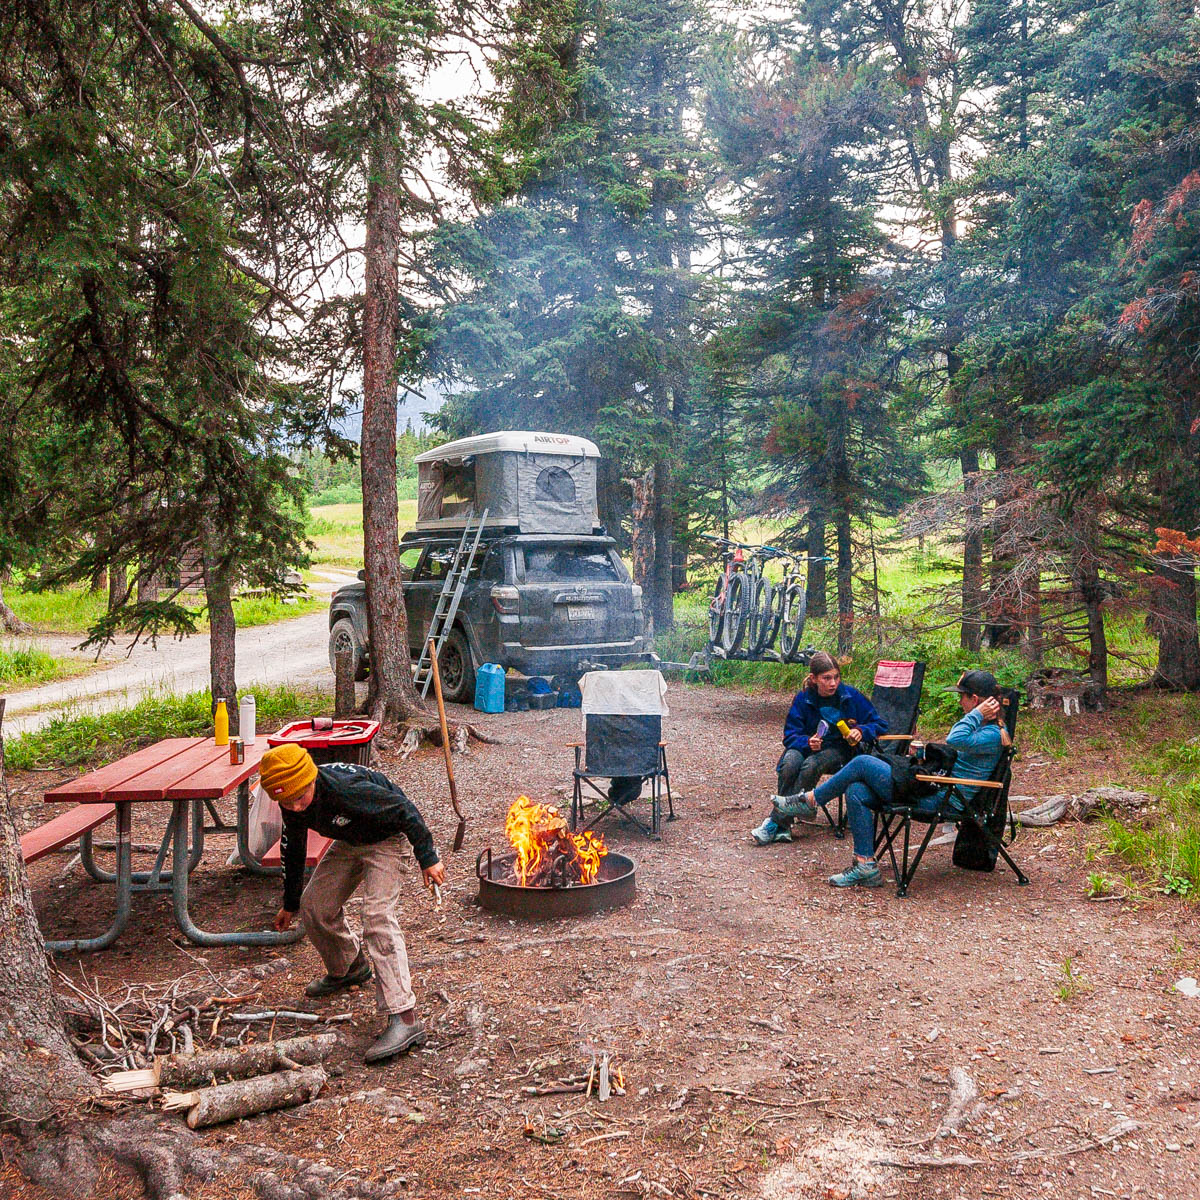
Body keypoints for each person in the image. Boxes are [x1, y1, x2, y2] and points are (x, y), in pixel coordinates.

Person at [261, 744, 447, 1063]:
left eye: (299, 797)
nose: (294, 806)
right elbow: (293, 848)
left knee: (377, 917)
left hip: (388, 840)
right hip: (350, 842)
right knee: (314, 906)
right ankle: (348, 967)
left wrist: (427, 858)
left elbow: (405, 810)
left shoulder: (347, 791)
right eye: (286, 801)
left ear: (311, 780)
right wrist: (290, 903)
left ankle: (405, 1017)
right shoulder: (292, 799)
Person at [777, 669, 1011, 888]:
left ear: (976, 699)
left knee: (861, 763)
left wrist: (976, 714)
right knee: (857, 790)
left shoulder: (992, 734)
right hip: (934, 787)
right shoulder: (982, 728)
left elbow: (954, 738)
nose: (960, 702)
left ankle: (811, 800)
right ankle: (865, 866)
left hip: (944, 799)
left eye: (963, 697)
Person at [750, 651, 887, 845]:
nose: (833, 683)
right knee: (789, 763)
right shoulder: (803, 699)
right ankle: (784, 824)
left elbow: (879, 724)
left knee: (810, 765)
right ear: (814, 679)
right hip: (807, 746)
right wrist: (807, 742)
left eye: (836, 677)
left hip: (840, 750)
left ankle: (776, 822)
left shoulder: (851, 696)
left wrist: (861, 731)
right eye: (827, 678)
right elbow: (790, 736)